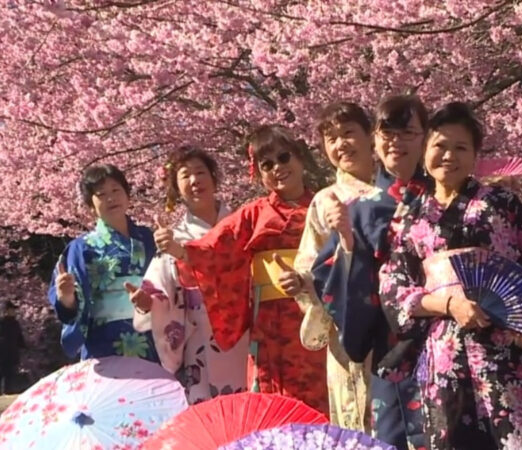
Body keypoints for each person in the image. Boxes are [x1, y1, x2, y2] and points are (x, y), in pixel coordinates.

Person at [378, 102, 522, 449]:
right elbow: (394, 284)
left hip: (507, 347)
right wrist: (448, 303)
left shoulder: (503, 203)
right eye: (440, 146)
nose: (449, 156)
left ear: (475, 156)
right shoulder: (409, 216)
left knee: (518, 440)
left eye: (461, 147)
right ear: (424, 150)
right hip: (445, 350)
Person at [157, 125, 329, 414]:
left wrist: (308, 280)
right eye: (267, 165)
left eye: (284, 157)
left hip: (318, 315)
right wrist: (178, 249)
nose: (277, 168)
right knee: (276, 404)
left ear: (300, 157)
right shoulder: (254, 213)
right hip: (271, 323)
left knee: (323, 395)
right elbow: (216, 248)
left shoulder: (324, 205)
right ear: (258, 174)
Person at [311, 94, 432, 449]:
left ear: (425, 137)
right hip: (391, 345)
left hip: (448, 341)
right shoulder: (360, 210)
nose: (396, 142)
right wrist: (348, 245)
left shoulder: (447, 199)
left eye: (408, 133)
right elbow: (327, 279)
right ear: (375, 140)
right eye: (387, 133)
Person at [276, 102, 376, 431]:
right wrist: (300, 281)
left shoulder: (395, 191)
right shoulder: (324, 200)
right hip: (347, 323)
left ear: (371, 136)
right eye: (331, 139)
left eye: (349, 133)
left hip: (393, 321)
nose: (341, 144)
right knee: (354, 419)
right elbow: (310, 262)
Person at [128, 147, 249, 404]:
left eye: (200, 172)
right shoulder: (175, 237)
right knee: (207, 411)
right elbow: (159, 289)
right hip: (201, 335)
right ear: (177, 189)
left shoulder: (242, 224)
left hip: (246, 331)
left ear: (214, 178)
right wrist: (148, 302)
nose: (195, 180)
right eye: (185, 175)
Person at [47, 164, 159, 362]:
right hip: (104, 340)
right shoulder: (81, 248)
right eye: (101, 194)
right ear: (90, 205)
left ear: (127, 195)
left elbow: (168, 284)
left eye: (116, 190)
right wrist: (67, 297)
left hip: (150, 333)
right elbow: (72, 307)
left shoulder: (150, 238)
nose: (110, 198)